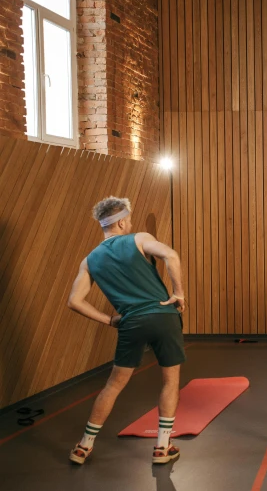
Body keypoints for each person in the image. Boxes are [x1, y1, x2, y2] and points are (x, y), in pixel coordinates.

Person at [66, 197, 186, 465]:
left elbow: (74, 301)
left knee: (113, 385)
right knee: (170, 380)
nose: (130, 224)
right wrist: (178, 293)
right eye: (128, 220)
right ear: (121, 222)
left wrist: (110, 320)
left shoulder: (90, 260)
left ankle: (84, 446)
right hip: (164, 316)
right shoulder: (139, 238)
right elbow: (171, 255)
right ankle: (162, 447)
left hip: (131, 322)